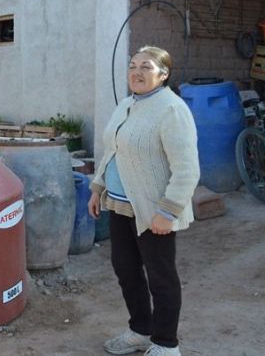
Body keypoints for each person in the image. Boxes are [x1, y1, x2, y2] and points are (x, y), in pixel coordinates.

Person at [88, 46, 199, 356]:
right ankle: (140, 329)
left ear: (163, 75)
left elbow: (187, 168)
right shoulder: (126, 104)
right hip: (120, 205)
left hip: (153, 210)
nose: (136, 72)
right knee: (125, 268)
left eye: (146, 67)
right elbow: (112, 150)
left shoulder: (171, 109)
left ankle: (166, 343)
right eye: (132, 66)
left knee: (160, 275)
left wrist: (168, 210)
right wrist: (98, 188)